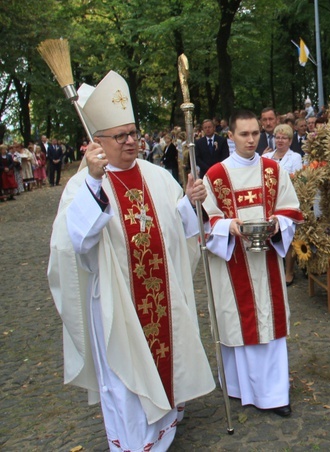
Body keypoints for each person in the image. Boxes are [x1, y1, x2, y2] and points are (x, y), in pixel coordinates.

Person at [47, 70, 215, 451]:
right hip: (116, 301)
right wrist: (93, 183)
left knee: (164, 357)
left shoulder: (157, 176)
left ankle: (166, 423)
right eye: (120, 136)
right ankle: (136, 442)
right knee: (125, 374)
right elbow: (78, 241)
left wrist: (192, 202)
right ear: (98, 141)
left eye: (133, 132)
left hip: (160, 299)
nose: (130, 141)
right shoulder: (83, 186)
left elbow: (179, 232)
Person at [202, 109, 303, 418]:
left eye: (256, 133)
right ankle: (238, 387)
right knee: (236, 322)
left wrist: (277, 224)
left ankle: (273, 394)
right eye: (244, 134)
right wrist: (226, 227)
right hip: (232, 262)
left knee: (269, 323)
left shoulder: (273, 170)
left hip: (267, 261)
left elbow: (291, 210)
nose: (250, 140)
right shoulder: (215, 175)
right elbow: (205, 220)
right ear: (230, 136)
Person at [262, 123, 304, 285]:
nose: (280, 141)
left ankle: (289, 271)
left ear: (290, 140)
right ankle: (271, 268)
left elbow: (298, 179)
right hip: (268, 203)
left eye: (284, 138)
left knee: (288, 235)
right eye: (277, 137)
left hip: (286, 201)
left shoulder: (295, 157)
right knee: (270, 235)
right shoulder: (265, 157)